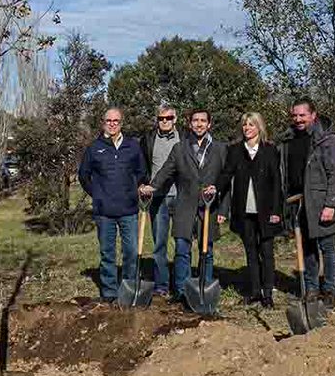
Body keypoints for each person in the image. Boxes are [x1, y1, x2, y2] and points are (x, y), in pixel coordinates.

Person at [139, 109, 228, 304]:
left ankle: (205, 288)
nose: (199, 124)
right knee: (182, 250)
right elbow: (165, 171)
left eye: (203, 121)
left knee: (207, 251)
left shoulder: (220, 148)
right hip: (185, 205)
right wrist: (151, 187)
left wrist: (223, 209)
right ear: (189, 124)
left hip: (208, 206)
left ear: (209, 124)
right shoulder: (179, 148)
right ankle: (181, 291)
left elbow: (226, 180)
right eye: (195, 121)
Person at [276, 98, 335, 307]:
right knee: (306, 248)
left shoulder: (327, 140)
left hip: (320, 201)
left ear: (313, 115)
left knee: (327, 247)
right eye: (295, 115)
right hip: (296, 203)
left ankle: (330, 289)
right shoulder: (286, 141)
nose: (298, 119)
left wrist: (331, 204)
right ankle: (311, 289)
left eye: (302, 115)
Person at [78, 107, 148, 303]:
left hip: (129, 210)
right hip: (104, 212)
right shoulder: (94, 148)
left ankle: (129, 288)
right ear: (103, 122)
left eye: (116, 121)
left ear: (121, 123)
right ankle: (109, 292)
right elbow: (83, 176)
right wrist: (97, 195)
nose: (112, 124)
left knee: (132, 252)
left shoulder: (133, 146)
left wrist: (137, 188)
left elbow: (142, 172)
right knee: (107, 253)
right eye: (109, 120)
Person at [215, 112, 284, 307]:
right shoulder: (235, 150)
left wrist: (276, 211)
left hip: (266, 211)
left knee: (267, 251)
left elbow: (276, 182)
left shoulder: (269, 150)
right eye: (244, 125)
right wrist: (215, 187)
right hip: (244, 210)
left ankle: (268, 292)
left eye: (251, 125)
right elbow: (227, 173)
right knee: (251, 251)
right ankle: (255, 291)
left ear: (259, 127)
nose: (247, 128)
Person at [139, 104, 182, 298]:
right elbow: (141, 165)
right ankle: (162, 285)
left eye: (169, 118)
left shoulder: (186, 138)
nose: (165, 121)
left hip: (181, 196)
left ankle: (181, 286)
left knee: (182, 243)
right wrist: (142, 183)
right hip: (157, 198)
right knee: (159, 245)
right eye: (161, 118)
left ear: (176, 119)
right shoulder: (148, 139)